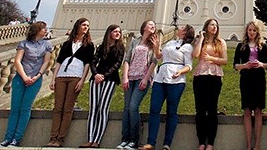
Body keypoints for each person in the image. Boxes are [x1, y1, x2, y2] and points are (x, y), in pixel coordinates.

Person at [0, 21, 53, 148]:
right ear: (37, 30)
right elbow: (17, 61)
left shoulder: (47, 45)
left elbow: (46, 62)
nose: (45, 30)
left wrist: (37, 76)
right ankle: (7, 138)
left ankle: (16, 139)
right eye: (43, 28)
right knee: (15, 109)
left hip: (35, 80)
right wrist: (25, 77)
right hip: (20, 79)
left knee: (25, 109)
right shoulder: (24, 44)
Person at [140, 24, 195, 150]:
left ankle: (167, 144)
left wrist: (180, 72)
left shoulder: (187, 47)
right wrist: (156, 47)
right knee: (154, 109)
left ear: (185, 32)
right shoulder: (170, 43)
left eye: (181, 28)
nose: (178, 28)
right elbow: (160, 57)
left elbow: (189, 65)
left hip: (176, 80)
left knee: (171, 111)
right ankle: (150, 142)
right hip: (161, 78)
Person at [47, 18, 95, 147]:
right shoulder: (68, 43)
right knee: (58, 108)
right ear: (77, 26)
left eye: (87, 26)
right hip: (61, 76)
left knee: (68, 108)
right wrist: (53, 79)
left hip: (75, 77)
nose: (86, 27)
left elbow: (87, 64)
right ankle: (53, 137)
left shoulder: (89, 45)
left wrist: (82, 80)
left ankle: (60, 139)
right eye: (84, 25)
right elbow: (59, 61)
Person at [80, 24, 125, 148]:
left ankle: (97, 140)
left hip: (110, 79)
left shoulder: (120, 48)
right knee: (93, 109)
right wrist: (95, 74)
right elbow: (93, 61)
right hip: (96, 78)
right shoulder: (101, 47)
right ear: (109, 32)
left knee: (103, 109)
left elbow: (117, 64)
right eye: (115, 31)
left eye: (119, 32)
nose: (117, 33)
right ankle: (90, 139)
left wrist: (104, 75)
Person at [118, 20, 158, 150]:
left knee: (133, 107)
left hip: (142, 78)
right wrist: (125, 77)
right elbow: (127, 59)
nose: (153, 26)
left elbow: (154, 61)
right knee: (126, 108)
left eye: (154, 26)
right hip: (130, 77)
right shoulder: (135, 41)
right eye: (150, 24)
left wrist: (146, 79)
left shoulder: (154, 43)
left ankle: (134, 140)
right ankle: (125, 139)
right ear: (144, 27)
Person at [192, 19, 228, 150]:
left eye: (216, 25)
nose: (214, 27)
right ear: (206, 27)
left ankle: (210, 143)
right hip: (200, 76)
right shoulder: (200, 41)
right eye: (212, 24)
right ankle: (201, 141)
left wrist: (211, 58)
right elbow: (195, 54)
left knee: (212, 109)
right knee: (200, 110)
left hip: (214, 76)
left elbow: (224, 60)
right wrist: (201, 39)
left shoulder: (221, 42)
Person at [233, 21, 267, 150]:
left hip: (259, 79)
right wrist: (245, 66)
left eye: (254, 30)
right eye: (250, 30)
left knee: (258, 110)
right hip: (246, 79)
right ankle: (248, 144)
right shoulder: (241, 46)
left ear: (257, 32)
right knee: (247, 111)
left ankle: (257, 144)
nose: (252, 33)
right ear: (246, 32)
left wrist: (260, 64)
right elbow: (235, 65)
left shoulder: (262, 46)